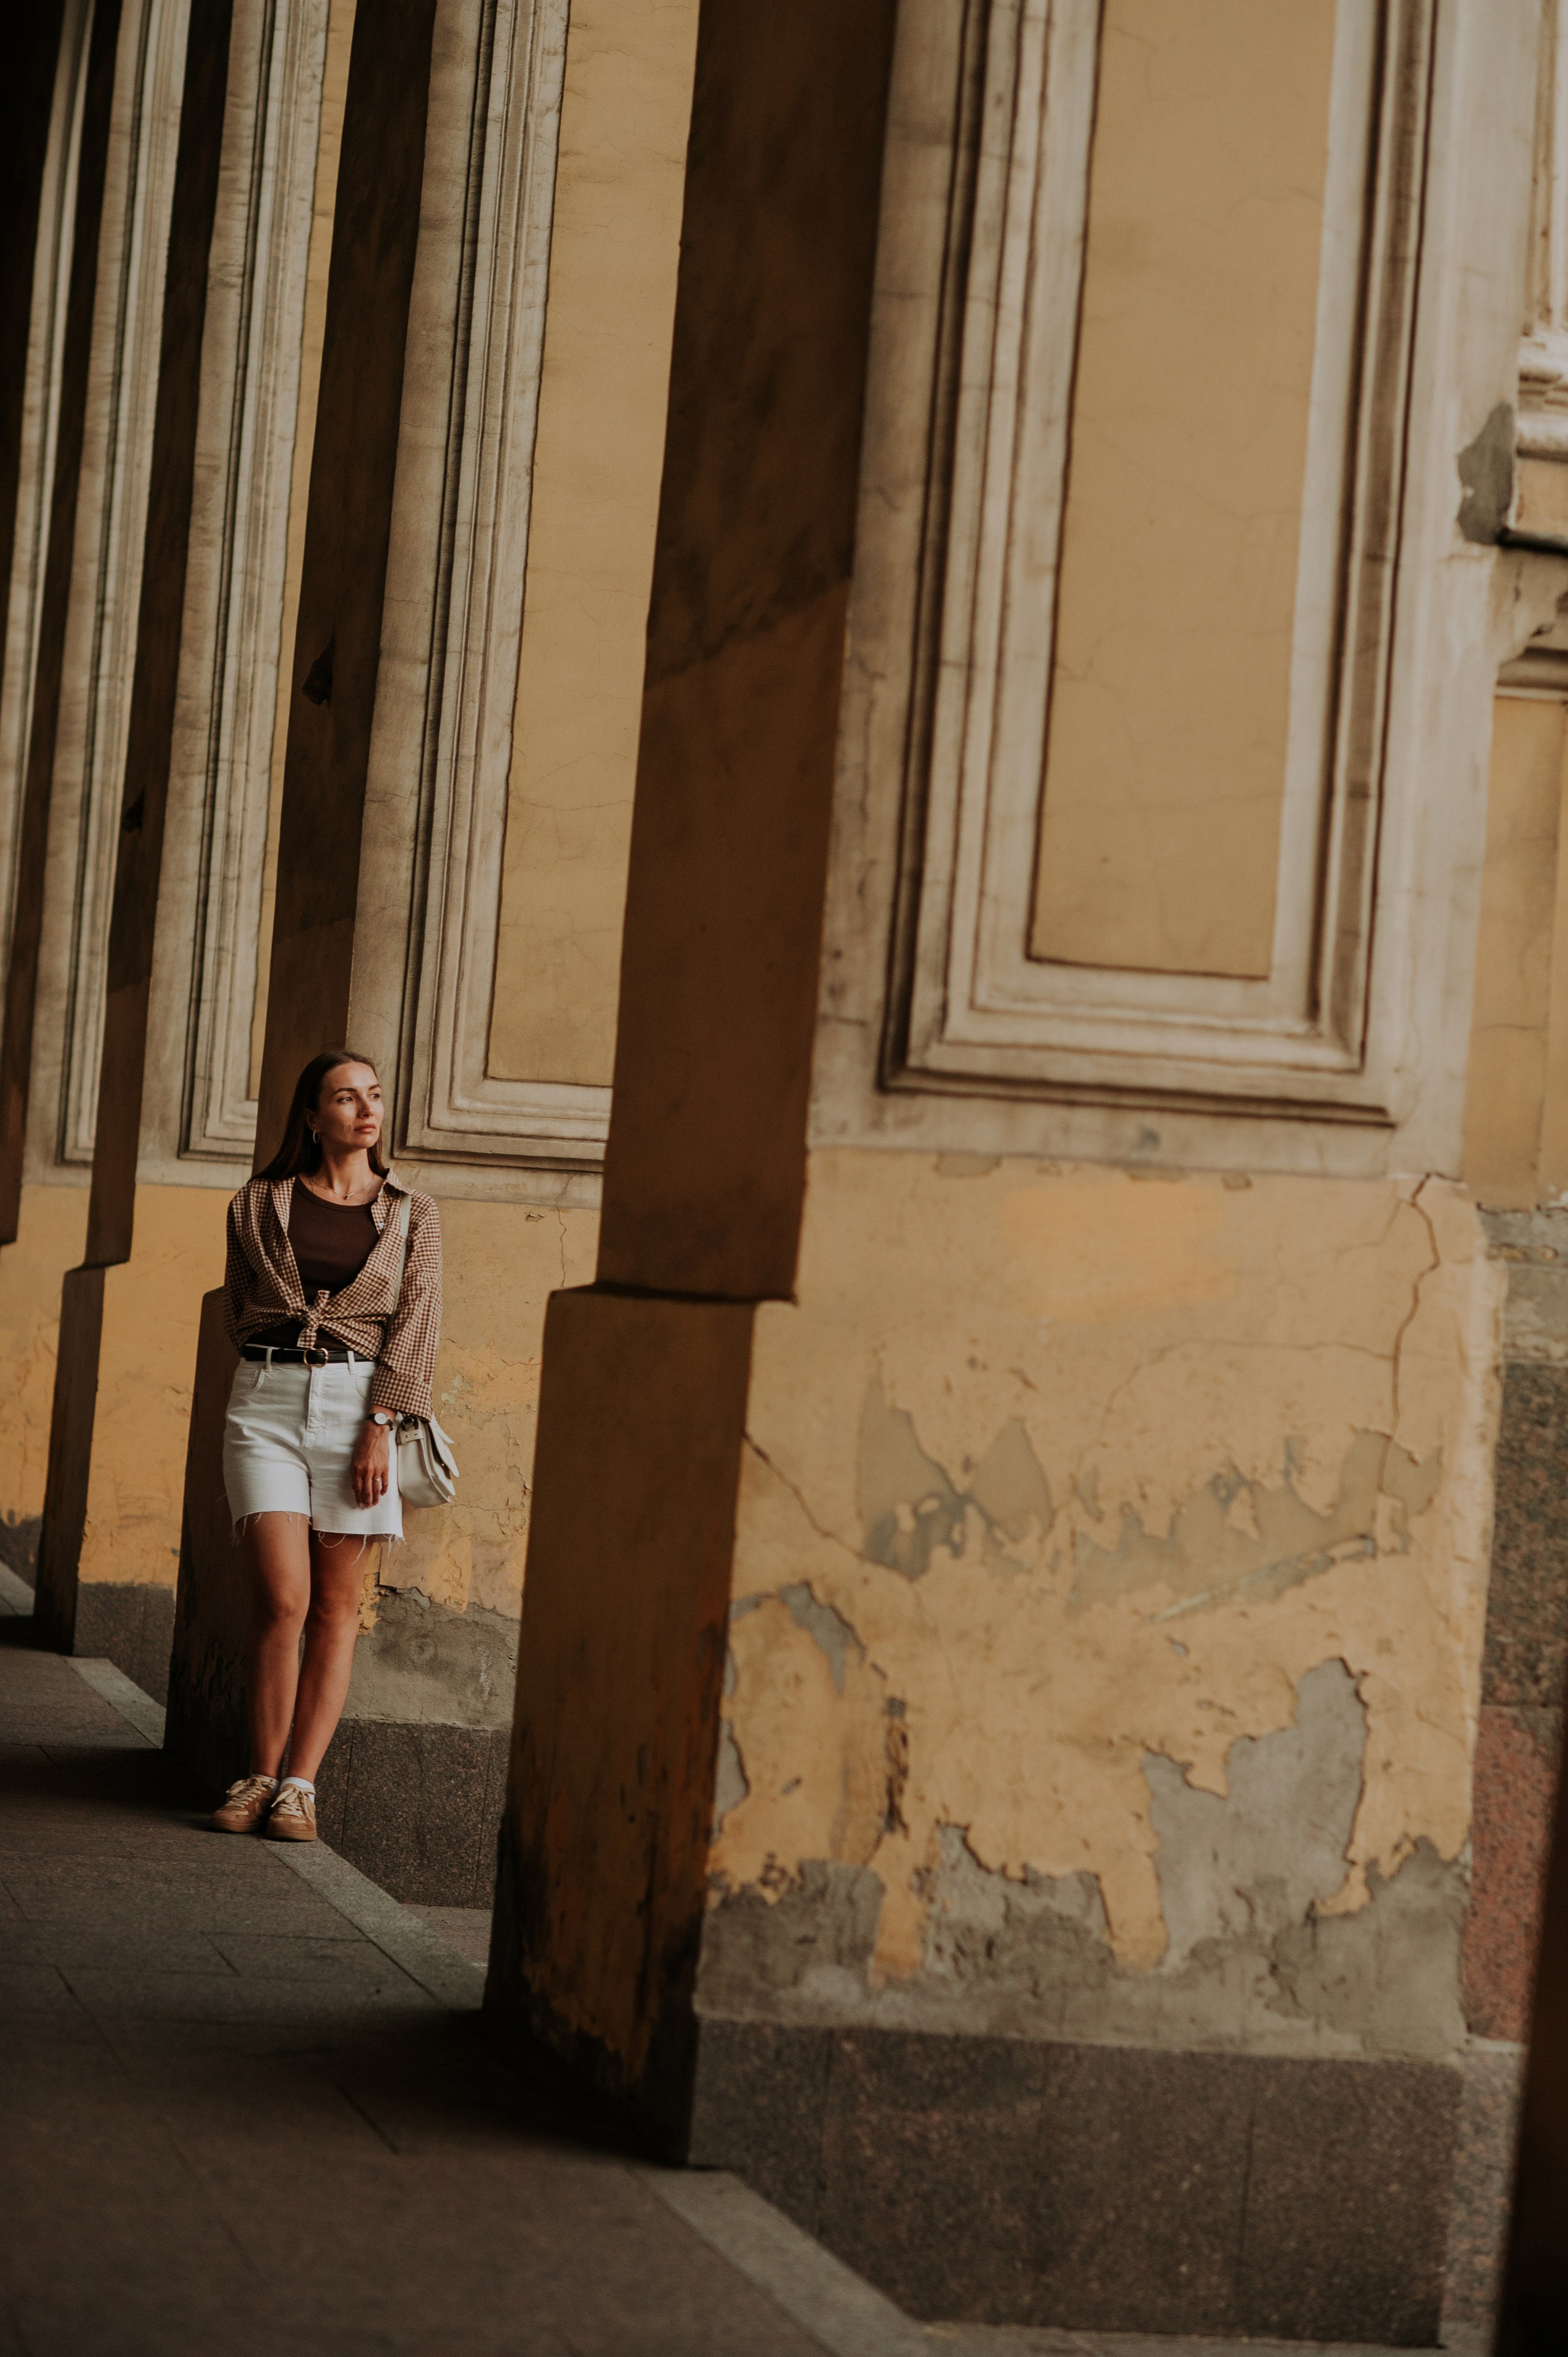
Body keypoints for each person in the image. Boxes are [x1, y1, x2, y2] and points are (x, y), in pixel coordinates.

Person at [210, 1048, 442, 1842]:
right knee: (282, 1600)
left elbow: (416, 1328)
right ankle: (259, 1774)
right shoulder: (257, 1204)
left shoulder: (413, 1211)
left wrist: (381, 1424)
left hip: (358, 1408)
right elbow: (239, 1307)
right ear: (312, 1117)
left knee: (338, 1607)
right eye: (346, 1099)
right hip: (265, 1398)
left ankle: (299, 1787)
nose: (365, 1111)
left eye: (374, 1096)